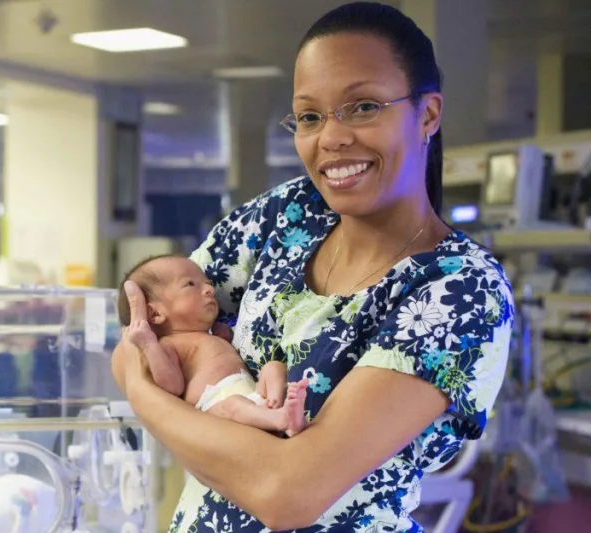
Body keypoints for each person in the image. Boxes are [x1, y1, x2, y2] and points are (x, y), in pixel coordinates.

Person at [111, 3, 515, 532]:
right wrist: (221, 443)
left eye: (363, 106)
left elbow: (286, 494)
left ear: (428, 114)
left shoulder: (458, 291)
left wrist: (148, 401)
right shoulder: (287, 215)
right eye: (309, 116)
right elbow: (139, 330)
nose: (331, 138)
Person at [118, 254, 311, 436]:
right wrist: (149, 345)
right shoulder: (169, 344)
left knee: (273, 367)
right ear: (155, 314)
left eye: (208, 283)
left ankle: (275, 409)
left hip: (251, 396)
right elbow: (173, 387)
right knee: (234, 404)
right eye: (190, 284)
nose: (210, 289)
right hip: (217, 408)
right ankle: (280, 420)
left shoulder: (212, 334)